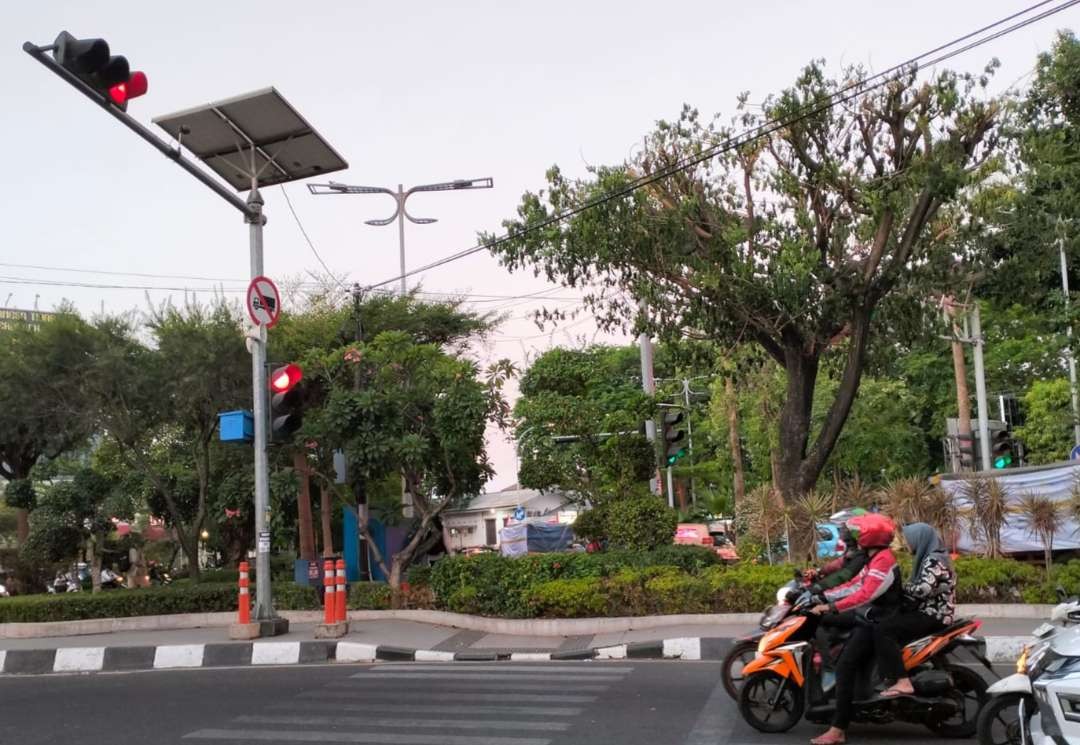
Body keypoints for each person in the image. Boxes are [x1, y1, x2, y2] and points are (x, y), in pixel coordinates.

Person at [807, 512, 900, 745]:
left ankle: (838, 730)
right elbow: (853, 584)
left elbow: (864, 594)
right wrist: (822, 596)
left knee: (844, 667)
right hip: (871, 618)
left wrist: (830, 607)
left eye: (858, 533)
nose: (853, 536)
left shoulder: (882, 560)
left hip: (877, 621)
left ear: (869, 537)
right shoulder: (874, 556)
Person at [876, 522, 956, 698]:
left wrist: (902, 589)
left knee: (884, 630)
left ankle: (902, 681)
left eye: (909, 539)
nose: (907, 543)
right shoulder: (934, 557)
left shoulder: (933, 559)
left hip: (932, 614)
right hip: (931, 613)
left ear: (921, 539)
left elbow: (924, 589)